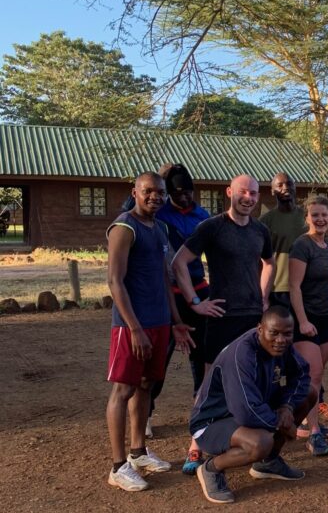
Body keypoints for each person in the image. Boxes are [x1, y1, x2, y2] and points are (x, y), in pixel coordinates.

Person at [105, 172, 195, 492]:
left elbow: (163, 280)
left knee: (146, 385)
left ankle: (138, 451)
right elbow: (115, 281)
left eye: (159, 192)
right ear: (135, 192)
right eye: (148, 192)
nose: (154, 196)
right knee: (124, 389)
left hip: (159, 323)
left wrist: (175, 321)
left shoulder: (158, 228)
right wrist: (134, 328)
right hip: (133, 326)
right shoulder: (124, 227)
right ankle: (118, 466)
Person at [189, 306, 316, 504]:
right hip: (213, 421)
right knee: (261, 442)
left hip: (250, 407)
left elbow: (301, 375)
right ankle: (211, 468)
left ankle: (268, 462)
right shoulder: (242, 354)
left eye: (287, 334)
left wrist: (287, 407)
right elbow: (246, 412)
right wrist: (283, 424)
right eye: (274, 333)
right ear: (260, 329)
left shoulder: (283, 345)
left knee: (308, 394)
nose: (281, 340)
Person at [260, 172, 328, 424]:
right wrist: (263, 296)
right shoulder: (267, 220)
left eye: (290, 184)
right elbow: (262, 259)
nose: (285, 188)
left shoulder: (324, 240)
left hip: (313, 299)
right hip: (281, 293)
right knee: (283, 358)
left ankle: (313, 405)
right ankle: (278, 406)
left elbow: (327, 281)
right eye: (280, 185)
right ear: (272, 190)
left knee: (313, 365)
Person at [146, 164, 212, 475]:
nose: (183, 196)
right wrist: (160, 175)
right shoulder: (159, 213)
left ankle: (200, 411)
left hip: (197, 295)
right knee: (160, 357)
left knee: (201, 358)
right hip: (166, 296)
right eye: (176, 192)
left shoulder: (203, 217)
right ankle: (147, 413)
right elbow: (130, 205)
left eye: (187, 191)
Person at [172, 174, 274, 369]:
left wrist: (264, 297)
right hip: (222, 315)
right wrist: (195, 302)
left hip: (253, 315)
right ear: (229, 192)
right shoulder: (211, 227)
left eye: (252, 193)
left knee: (250, 372)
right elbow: (179, 263)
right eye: (242, 191)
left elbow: (269, 263)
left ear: (258, 197)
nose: (248, 197)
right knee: (214, 376)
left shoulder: (261, 230)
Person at [289, 195, 328, 456]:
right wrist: (302, 321)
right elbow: (294, 286)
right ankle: (315, 434)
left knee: (316, 375)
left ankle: (304, 422)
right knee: (313, 375)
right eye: (315, 215)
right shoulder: (302, 245)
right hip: (305, 320)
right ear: (307, 218)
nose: (320, 219)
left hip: (324, 319)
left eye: (324, 215)